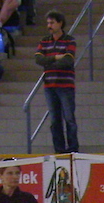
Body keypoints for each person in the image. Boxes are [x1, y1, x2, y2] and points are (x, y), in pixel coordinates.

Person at [35, 10, 78, 154]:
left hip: (65, 86)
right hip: (50, 86)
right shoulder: (44, 41)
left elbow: (68, 60)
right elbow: (38, 59)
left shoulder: (69, 40)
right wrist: (55, 58)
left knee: (69, 118)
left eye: (52, 23)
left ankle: (73, 149)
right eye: (48, 23)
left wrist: (49, 62)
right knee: (55, 120)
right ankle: (59, 150)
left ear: (60, 23)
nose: (49, 25)